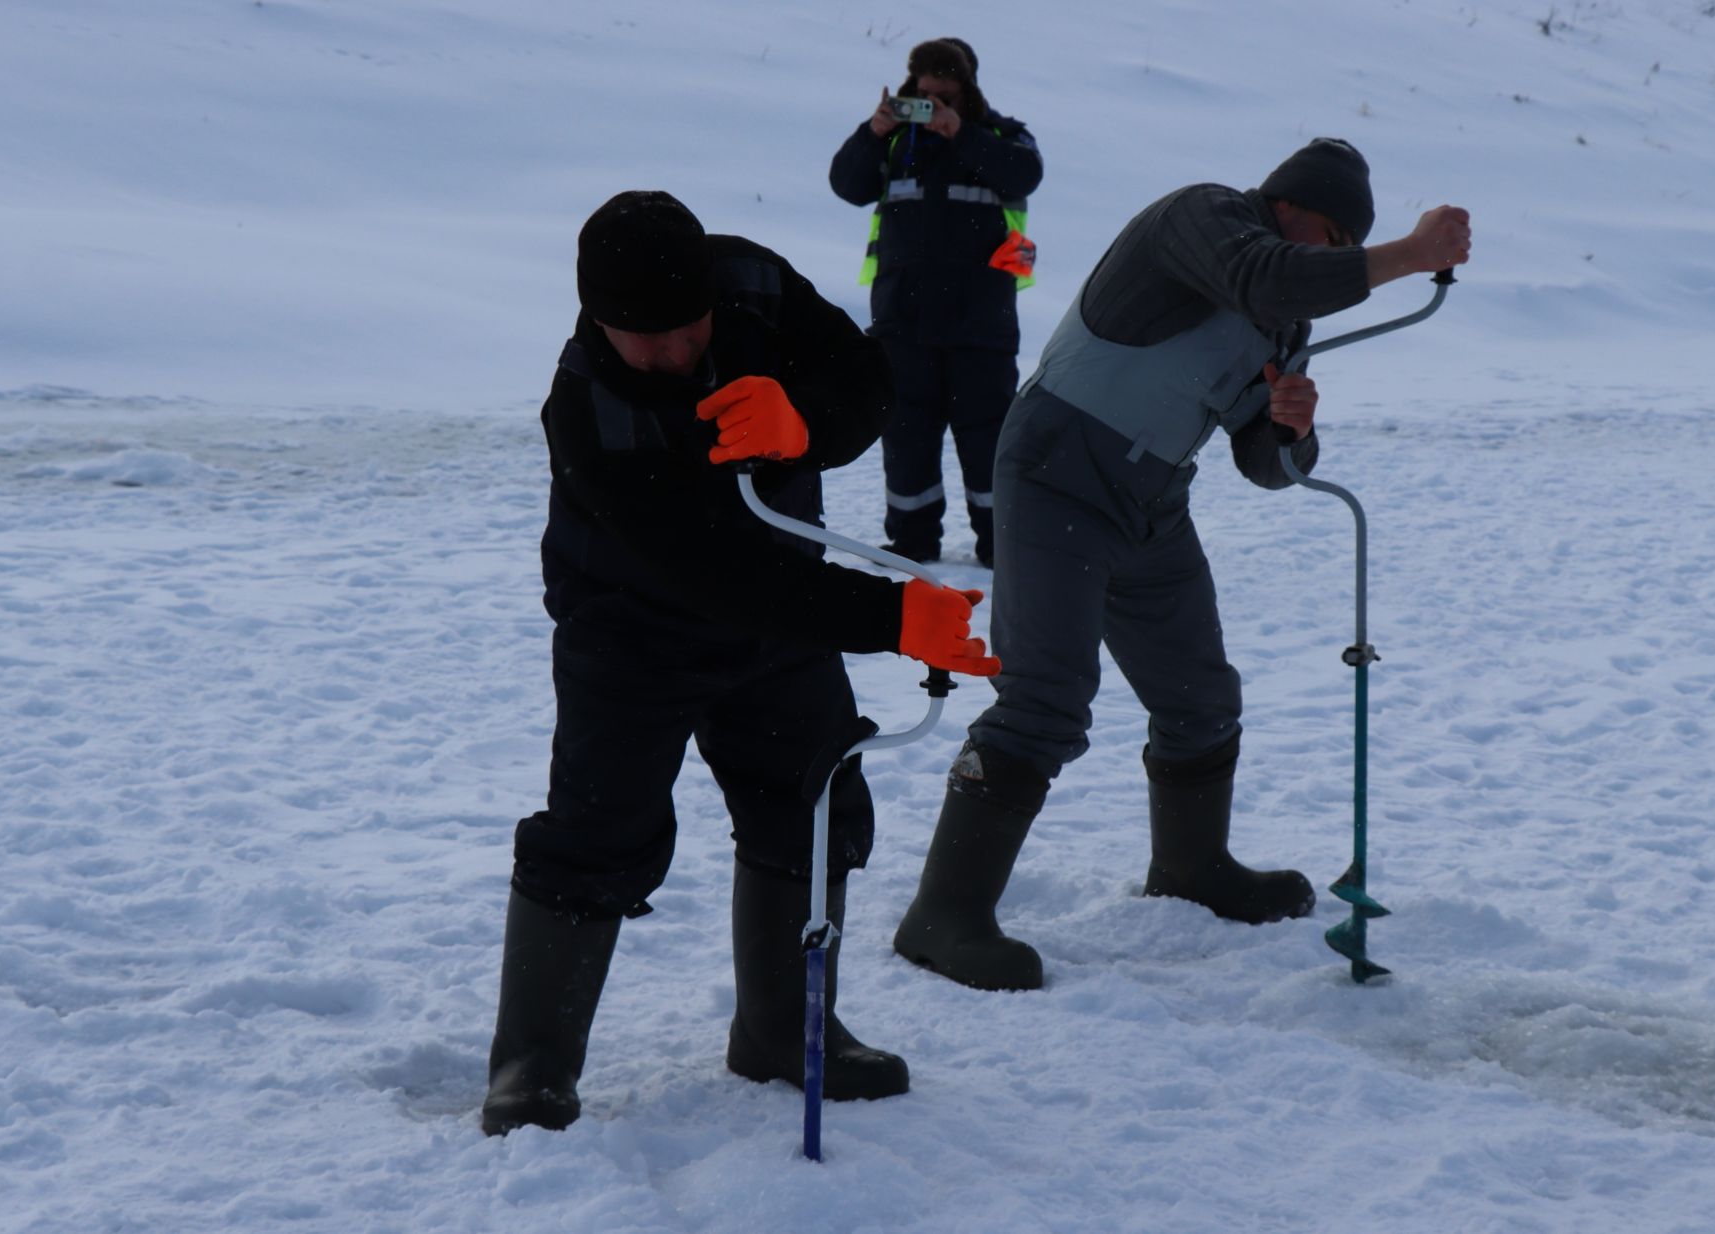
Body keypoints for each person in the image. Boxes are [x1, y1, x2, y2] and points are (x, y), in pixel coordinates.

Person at [890, 139, 1472, 991]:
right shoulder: (1203, 218)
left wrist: (1291, 428)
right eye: (1335, 234)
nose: (1340, 254)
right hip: (1056, 471)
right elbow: (1269, 276)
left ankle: (1193, 871)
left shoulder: (1285, 319)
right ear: (1286, 205)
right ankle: (942, 916)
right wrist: (1412, 255)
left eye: (1354, 244)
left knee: (1202, 696)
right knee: (1045, 699)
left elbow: (1265, 467)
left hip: (1151, 500)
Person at [481, 190, 1001, 1135]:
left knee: (813, 804)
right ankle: (531, 1067)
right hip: (629, 631)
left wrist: (806, 421)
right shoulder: (588, 408)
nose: (676, 352)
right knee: (600, 834)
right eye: (647, 338)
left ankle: (780, 1031)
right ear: (598, 318)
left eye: (689, 328)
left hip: (780, 619)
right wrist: (892, 615)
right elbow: (714, 573)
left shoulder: (753, 283)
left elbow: (868, 379)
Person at [829, 37, 1042, 567]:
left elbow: (1026, 174)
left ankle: (1002, 543)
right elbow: (846, 184)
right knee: (905, 436)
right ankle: (912, 540)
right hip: (903, 321)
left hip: (982, 324)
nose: (932, 106)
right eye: (923, 95)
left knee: (988, 439)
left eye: (943, 96)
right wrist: (874, 130)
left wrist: (959, 134)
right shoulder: (895, 142)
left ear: (966, 92)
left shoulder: (1001, 135)